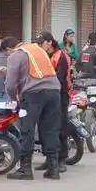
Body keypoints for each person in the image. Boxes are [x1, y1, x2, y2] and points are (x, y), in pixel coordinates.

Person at [1, 36, 62, 180]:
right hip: (54, 92)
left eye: (6, 54)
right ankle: (53, 167)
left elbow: (10, 84)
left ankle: (25, 168)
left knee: (27, 129)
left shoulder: (16, 54)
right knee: (50, 129)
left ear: (9, 49)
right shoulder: (38, 50)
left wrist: (13, 98)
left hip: (34, 94)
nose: (7, 57)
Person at [35, 31, 71, 173]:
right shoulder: (44, 55)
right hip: (46, 94)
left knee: (59, 126)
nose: (39, 46)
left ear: (49, 42)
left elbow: (60, 78)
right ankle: (49, 158)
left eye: (41, 43)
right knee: (45, 126)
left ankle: (61, 159)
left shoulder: (60, 56)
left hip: (60, 94)